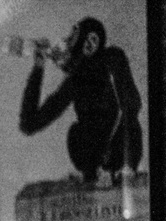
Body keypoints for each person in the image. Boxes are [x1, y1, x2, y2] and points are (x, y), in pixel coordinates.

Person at [18, 17, 142, 186]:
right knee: (76, 132)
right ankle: (96, 172)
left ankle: (113, 169)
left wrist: (113, 153)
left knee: (129, 120)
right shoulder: (76, 80)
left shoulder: (111, 58)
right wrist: (38, 68)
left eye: (72, 37)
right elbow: (29, 124)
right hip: (94, 156)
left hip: (119, 151)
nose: (67, 42)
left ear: (91, 42)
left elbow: (131, 106)